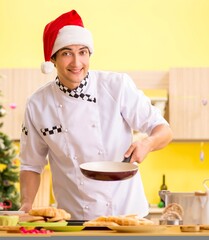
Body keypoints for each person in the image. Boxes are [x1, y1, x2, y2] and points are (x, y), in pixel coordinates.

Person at [19, 9, 173, 220]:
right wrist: (27, 204)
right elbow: (31, 164)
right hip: (74, 219)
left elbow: (164, 130)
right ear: (52, 59)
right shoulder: (38, 104)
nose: (76, 63)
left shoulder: (116, 86)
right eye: (66, 53)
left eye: (82, 52)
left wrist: (148, 143)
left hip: (128, 215)